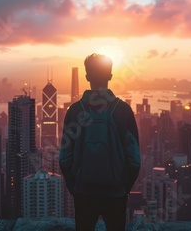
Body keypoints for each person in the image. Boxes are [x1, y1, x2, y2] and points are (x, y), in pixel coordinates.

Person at [59, 53, 140, 231]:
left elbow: (65, 157)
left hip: (84, 193)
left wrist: (75, 186)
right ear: (110, 76)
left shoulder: (75, 111)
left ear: (87, 76)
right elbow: (134, 159)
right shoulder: (122, 110)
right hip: (116, 193)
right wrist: (124, 187)